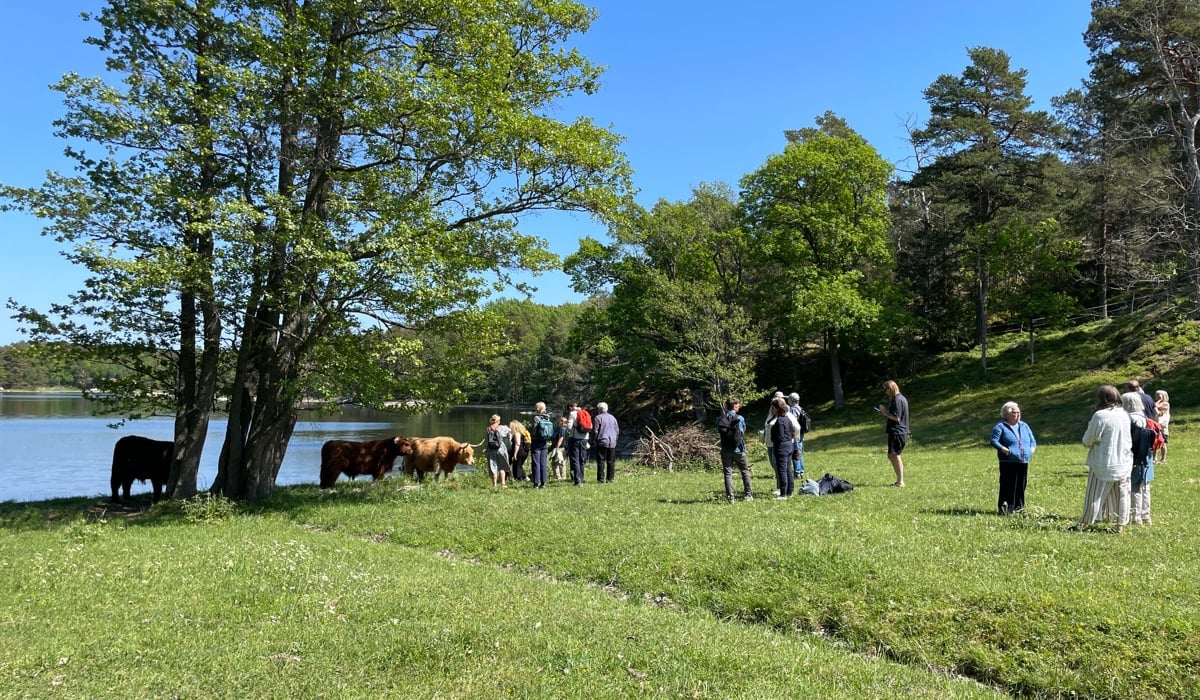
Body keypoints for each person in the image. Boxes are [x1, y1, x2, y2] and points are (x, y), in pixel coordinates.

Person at [1077, 385, 1132, 533]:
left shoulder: (1100, 415)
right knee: (1121, 495)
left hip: (1104, 460)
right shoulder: (1124, 414)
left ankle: (1085, 523)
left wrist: (1087, 442)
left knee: (1095, 494)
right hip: (1124, 460)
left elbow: (1089, 439)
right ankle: (1119, 525)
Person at [989, 401, 1036, 514]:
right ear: (1007, 414)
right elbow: (994, 441)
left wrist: (1031, 450)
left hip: (1023, 460)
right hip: (1008, 460)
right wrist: (1005, 450)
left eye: (1019, 412)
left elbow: (1032, 440)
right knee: (1008, 484)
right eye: (1015, 412)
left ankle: (1019, 508)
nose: (1018, 415)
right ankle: (1005, 508)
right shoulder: (1000, 426)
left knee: (1021, 484)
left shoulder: (1024, 425)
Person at [1123, 393, 1157, 525]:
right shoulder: (1144, 417)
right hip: (1147, 455)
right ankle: (1146, 515)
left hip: (1136, 456)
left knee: (1135, 487)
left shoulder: (1129, 419)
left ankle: (1136, 517)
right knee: (1146, 486)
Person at [719, 397, 753, 503]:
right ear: (734, 406)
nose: (739, 407)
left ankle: (731, 497)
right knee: (745, 471)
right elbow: (742, 432)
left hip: (725, 449)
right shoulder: (740, 418)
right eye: (738, 405)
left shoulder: (720, 418)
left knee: (728, 473)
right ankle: (748, 495)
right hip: (738, 449)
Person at [876, 380, 910, 487]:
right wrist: (885, 413)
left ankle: (900, 482)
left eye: (885, 389)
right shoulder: (899, 399)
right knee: (892, 455)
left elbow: (896, 417)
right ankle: (899, 481)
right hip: (898, 432)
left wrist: (884, 412)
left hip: (897, 432)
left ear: (890, 388)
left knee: (895, 455)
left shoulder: (898, 400)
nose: (885, 392)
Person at [769, 397, 796, 499]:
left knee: (782, 471)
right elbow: (792, 433)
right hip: (789, 445)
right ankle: (790, 491)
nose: (772, 410)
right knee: (788, 469)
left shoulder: (779, 421)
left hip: (781, 447)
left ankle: (783, 494)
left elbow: (779, 436)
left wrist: (772, 436)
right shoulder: (787, 418)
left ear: (777, 408)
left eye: (773, 408)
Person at [592, 402, 620, 483]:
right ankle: (610, 479)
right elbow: (617, 430)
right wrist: (615, 439)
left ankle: (601, 479)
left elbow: (596, 431)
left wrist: (594, 440)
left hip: (602, 442)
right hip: (612, 442)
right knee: (611, 462)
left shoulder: (598, 418)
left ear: (599, 409)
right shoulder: (613, 418)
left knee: (601, 461)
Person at [485, 414, 512, 488]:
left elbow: (488, 440)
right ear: (498, 421)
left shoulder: (488, 429)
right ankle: (503, 483)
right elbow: (510, 433)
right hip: (501, 449)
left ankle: (494, 485)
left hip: (491, 449)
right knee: (502, 466)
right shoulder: (502, 428)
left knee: (493, 466)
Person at [529, 402, 552, 489]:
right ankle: (543, 482)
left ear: (537, 409)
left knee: (536, 462)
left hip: (536, 441)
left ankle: (536, 483)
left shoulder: (536, 418)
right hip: (544, 441)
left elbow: (534, 430)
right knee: (543, 462)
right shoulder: (547, 417)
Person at [566, 402, 589, 486]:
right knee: (582, 459)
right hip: (585, 438)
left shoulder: (572, 413)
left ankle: (577, 480)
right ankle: (582, 478)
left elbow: (569, 427)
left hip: (575, 438)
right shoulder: (585, 412)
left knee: (575, 459)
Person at [786, 392, 808, 479]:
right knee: (799, 452)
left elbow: (793, 422)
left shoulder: (794, 409)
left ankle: (797, 472)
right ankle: (801, 471)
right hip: (801, 433)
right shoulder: (800, 408)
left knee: (796, 452)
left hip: (796, 434)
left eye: (788, 399)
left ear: (792, 400)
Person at [549, 416, 569, 481]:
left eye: (564, 422)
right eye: (560, 421)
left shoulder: (562, 430)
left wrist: (557, 448)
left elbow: (561, 439)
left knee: (557, 463)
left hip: (560, 448)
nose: (561, 422)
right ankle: (561, 476)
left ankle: (559, 477)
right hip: (560, 447)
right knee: (560, 462)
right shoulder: (559, 429)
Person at [1154, 390, 1170, 464]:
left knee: (1163, 443)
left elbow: (1155, 406)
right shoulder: (1156, 403)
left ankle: (1163, 459)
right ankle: (1154, 458)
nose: (1157, 396)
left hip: (1163, 427)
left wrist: (1160, 400)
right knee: (1155, 442)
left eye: (1159, 395)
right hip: (1156, 425)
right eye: (1157, 395)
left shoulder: (1165, 404)